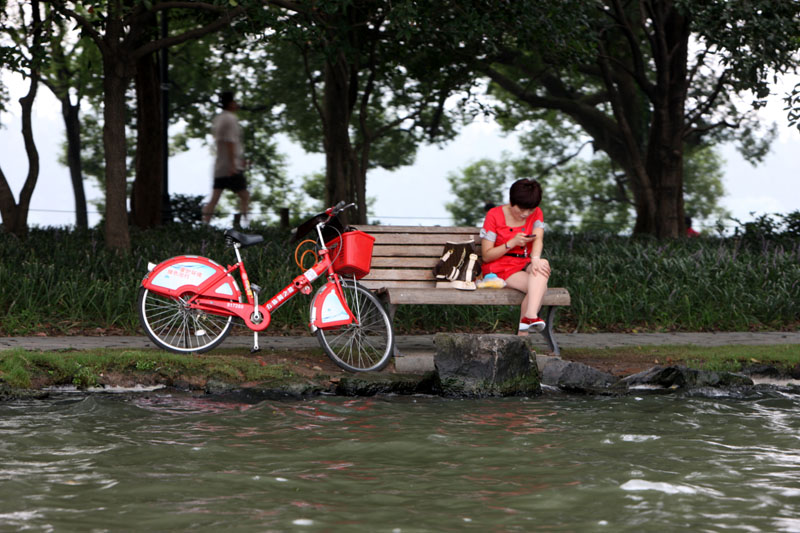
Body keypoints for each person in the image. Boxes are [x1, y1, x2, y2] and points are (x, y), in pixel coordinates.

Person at [480, 178, 551, 334]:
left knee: (542, 265)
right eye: (521, 209)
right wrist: (511, 243)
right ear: (511, 201)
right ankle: (524, 334)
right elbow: (486, 256)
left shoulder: (537, 212)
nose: (526, 214)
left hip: (524, 263)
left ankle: (530, 317)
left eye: (530, 210)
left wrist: (536, 259)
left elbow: (538, 238)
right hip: (500, 267)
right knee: (540, 288)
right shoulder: (494, 215)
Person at [202, 91, 250, 226]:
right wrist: (233, 165)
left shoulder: (219, 118)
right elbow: (230, 142)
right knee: (244, 196)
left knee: (215, 197)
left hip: (220, 166)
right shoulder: (230, 118)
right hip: (230, 166)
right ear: (230, 103)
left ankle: (204, 224)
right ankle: (246, 224)